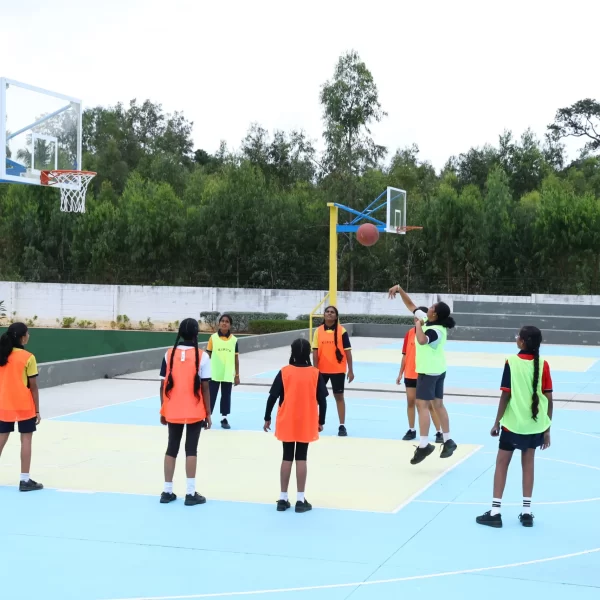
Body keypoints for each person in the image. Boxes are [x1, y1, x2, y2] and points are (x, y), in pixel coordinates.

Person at [476, 326, 553, 529]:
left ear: (523, 341)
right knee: (528, 464)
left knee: (502, 463)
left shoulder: (511, 362)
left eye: (518, 335)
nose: (516, 338)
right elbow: (549, 399)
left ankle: (495, 512)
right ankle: (526, 513)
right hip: (535, 424)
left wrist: (496, 422)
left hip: (512, 425)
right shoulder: (543, 364)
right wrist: (547, 428)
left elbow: (505, 395)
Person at [388, 284, 457, 464]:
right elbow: (411, 306)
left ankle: (424, 444)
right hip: (439, 370)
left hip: (429, 372)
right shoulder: (429, 320)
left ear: (435, 314)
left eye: (432, 307)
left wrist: (419, 324)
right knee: (439, 404)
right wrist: (400, 290)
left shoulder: (435, 330)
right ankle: (449, 440)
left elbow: (421, 339)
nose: (429, 308)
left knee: (422, 406)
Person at [264, 338, 327, 513]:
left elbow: (273, 396)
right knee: (301, 457)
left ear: (292, 352)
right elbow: (322, 400)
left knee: (286, 457)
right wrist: (321, 421)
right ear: (308, 353)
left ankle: (283, 498)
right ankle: (300, 499)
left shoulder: (285, 371)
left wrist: (267, 416)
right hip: (306, 420)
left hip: (287, 420)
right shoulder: (315, 373)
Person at [159, 318, 212, 506]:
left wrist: (163, 409)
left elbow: (162, 385)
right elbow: (205, 388)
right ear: (197, 334)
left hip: (172, 408)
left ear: (180, 333)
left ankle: (167, 491)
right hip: (195, 409)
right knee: (191, 449)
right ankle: (190, 494)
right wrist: (208, 413)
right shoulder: (203, 356)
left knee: (171, 448)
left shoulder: (168, 354)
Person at [0, 322, 43, 492]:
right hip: (24, 405)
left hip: (4, 405)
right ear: (22, 337)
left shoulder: (2, 355)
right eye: (28, 333)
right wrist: (37, 410)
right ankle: (24, 480)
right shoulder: (28, 357)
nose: (29, 336)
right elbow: (33, 386)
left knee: (1, 439)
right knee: (26, 439)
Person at [397, 307, 444, 444]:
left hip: (424, 372)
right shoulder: (409, 333)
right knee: (411, 402)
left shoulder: (430, 333)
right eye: (415, 318)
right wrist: (400, 373)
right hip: (410, 373)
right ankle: (411, 429)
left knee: (429, 404)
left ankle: (439, 431)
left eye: (419, 318)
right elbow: (405, 355)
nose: (417, 320)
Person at [312, 306, 354, 437]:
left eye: (332, 312)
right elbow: (315, 351)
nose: (329, 314)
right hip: (321, 371)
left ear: (336, 316)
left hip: (338, 370)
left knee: (339, 397)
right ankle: (313, 422)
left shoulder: (342, 331)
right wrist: (315, 370)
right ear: (324, 315)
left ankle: (342, 426)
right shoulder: (318, 331)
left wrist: (351, 370)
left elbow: (348, 352)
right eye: (327, 312)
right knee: (316, 398)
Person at [207, 313, 240, 429]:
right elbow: (208, 355)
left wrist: (237, 375)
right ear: (219, 323)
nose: (224, 323)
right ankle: (207, 417)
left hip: (227, 373)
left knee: (226, 396)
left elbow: (236, 358)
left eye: (227, 321)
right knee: (211, 396)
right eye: (222, 321)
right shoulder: (213, 338)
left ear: (230, 325)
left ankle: (224, 418)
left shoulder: (234, 340)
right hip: (214, 372)